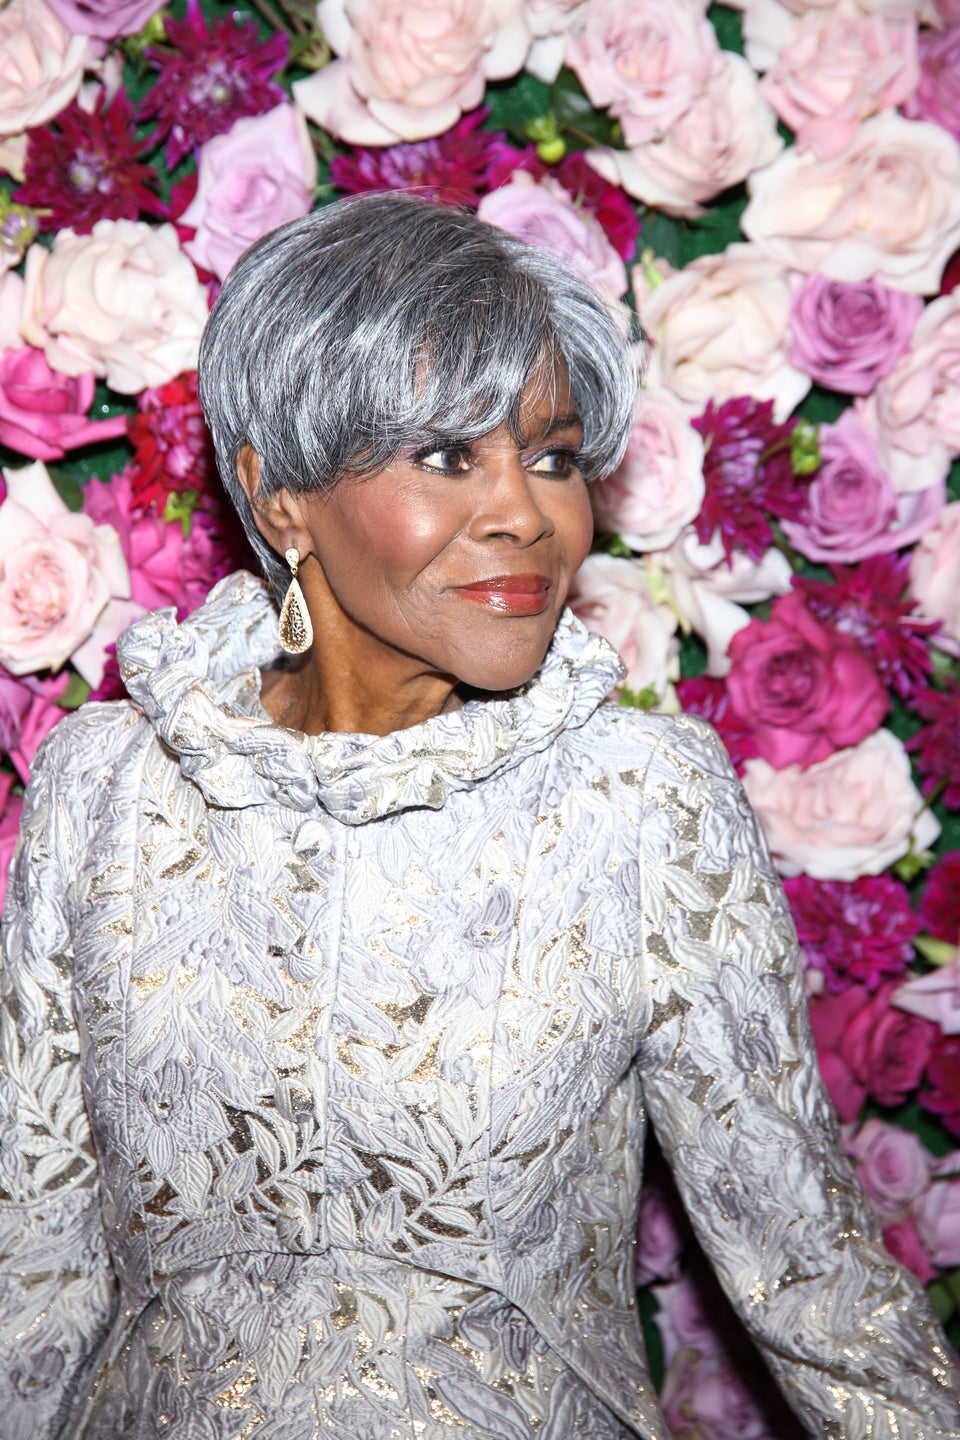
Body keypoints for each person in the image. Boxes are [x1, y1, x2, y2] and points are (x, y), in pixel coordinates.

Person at [0, 192, 957, 1440]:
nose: (528, 514)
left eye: (552, 458)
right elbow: (34, 1270)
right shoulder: (107, 787)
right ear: (280, 497)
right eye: (449, 456)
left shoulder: (639, 799)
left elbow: (811, 1272)